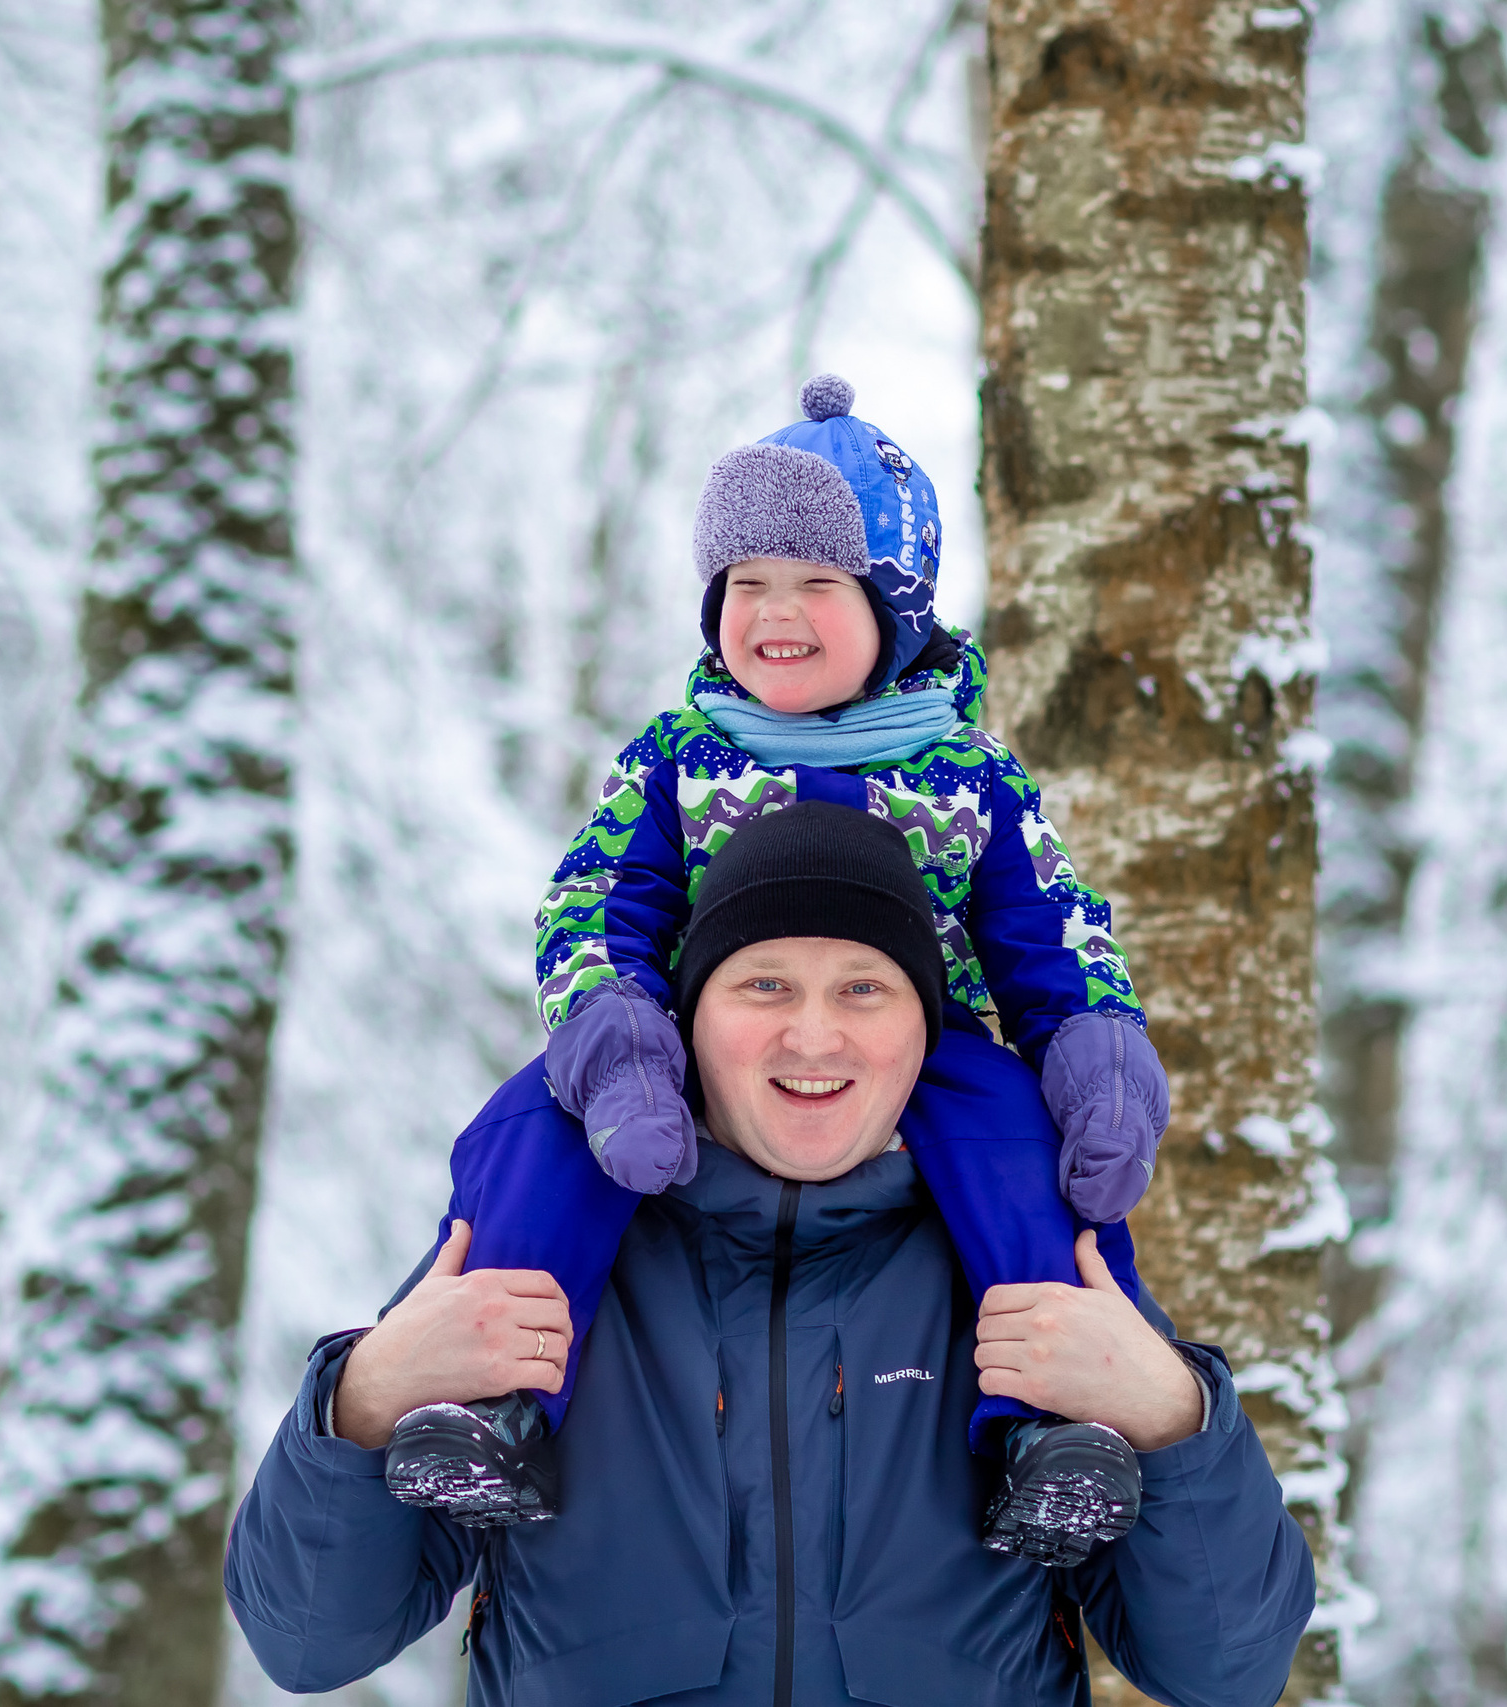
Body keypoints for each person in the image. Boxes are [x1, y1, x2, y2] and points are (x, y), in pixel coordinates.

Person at [224, 805, 1316, 1705]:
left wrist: (1174, 1420)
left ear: (922, 1032)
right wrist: (361, 1400)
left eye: (863, 989)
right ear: (690, 1021)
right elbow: (308, 1642)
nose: (812, 1037)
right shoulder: (549, 1253)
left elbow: (1226, 1667)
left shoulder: (1020, 1259)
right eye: (763, 986)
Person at [405, 375, 1170, 1563]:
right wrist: (618, 1049)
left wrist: (1097, 1057)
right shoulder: (675, 759)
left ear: (895, 609)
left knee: (1019, 1146)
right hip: (690, 1058)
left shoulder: (969, 778)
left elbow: (1050, 931)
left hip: (924, 1055)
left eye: (819, 584)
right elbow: (597, 903)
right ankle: (495, 1404)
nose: (776, 610)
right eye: (745, 585)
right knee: (529, 1131)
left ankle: (1050, 1428)